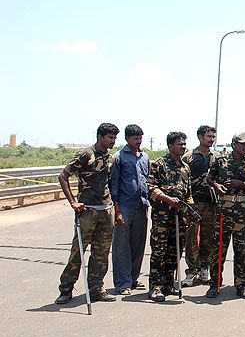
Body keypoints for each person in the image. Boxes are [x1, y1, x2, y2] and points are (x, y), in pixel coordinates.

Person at [55, 123, 120, 305]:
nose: (113, 141)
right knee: (78, 252)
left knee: (101, 254)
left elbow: (111, 185)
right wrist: (73, 202)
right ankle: (66, 289)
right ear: (100, 137)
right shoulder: (86, 154)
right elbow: (63, 176)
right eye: (110, 138)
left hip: (106, 210)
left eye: (115, 138)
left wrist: (117, 210)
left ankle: (96, 288)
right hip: (87, 211)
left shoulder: (111, 158)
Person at [204, 132, 245, 299]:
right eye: (243, 144)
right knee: (218, 249)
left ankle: (242, 284)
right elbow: (209, 178)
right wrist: (216, 186)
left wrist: (241, 184)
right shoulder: (221, 161)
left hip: (243, 211)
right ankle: (215, 284)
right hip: (224, 210)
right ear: (234, 144)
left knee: (243, 249)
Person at [146, 132, 194, 302]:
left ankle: (168, 284)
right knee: (159, 252)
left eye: (184, 144)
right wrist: (167, 199)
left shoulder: (185, 168)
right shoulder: (159, 164)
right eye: (180, 144)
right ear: (170, 146)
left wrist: (189, 213)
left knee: (175, 252)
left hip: (179, 217)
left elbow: (188, 193)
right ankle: (156, 287)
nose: (183, 147)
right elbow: (151, 187)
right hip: (162, 216)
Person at [110, 124, 150, 295]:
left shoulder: (144, 157)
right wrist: (117, 210)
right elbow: (114, 185)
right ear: (127, 139)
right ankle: (122, 283)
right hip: (125, 206)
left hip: (141, 206)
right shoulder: (119, 157)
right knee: (122, 247)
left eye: (140, 138)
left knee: (138, 245)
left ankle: (133, 278)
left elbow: (148, 180)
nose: (138, 141)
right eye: (135, 139)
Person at [181, 125, 218, 287]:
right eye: (208, 136)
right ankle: (191, 270)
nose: (211, 139)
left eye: (213, 136)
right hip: (193, 203)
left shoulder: (217, 158)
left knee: (208, 238)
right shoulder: (188, 157)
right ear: (200, 137)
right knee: (191, 238)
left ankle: (205, 268)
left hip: (211, 203)